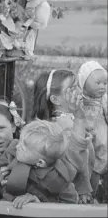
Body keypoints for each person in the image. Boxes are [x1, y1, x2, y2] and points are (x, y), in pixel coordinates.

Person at [0, 120, 78, 212]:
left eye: (22, 148)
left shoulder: (57, 178)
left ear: (40, 163)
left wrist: (39, 201)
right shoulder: (12, 153)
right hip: (5, 208)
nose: (17, 146)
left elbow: (69, 204)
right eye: (20, 142)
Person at [31, 69, 96, 203]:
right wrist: (85, 190)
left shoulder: (67, 120)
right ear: (55, 99)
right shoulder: (63, 127)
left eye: (77, 85)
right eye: (72, 88)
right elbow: (78, 159)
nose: (79, 90)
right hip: (70, 197)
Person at [78, 61, 107, 195]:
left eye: (105, 83)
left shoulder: (104, 99)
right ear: (83, 82)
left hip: (100, 132)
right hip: (84, 133)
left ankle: (98, 184)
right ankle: (89, 188)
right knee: (87, 159)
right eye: (98, 83)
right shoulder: (78, 97)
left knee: (102, 153)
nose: (102, 87)